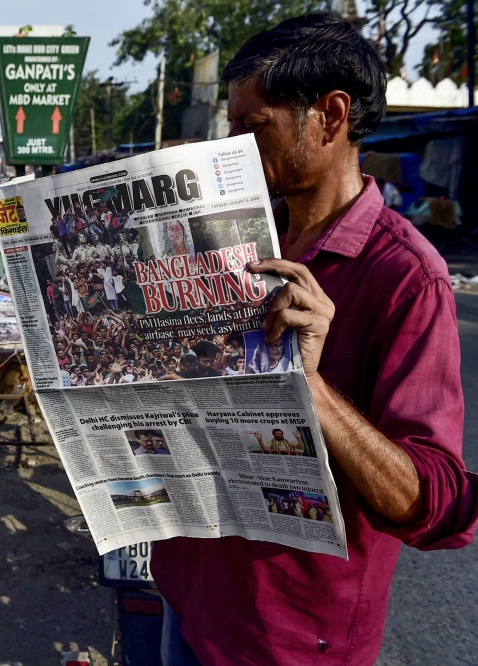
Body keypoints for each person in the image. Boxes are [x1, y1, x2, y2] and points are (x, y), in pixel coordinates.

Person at [152, 14, 478, 666]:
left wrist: (309, 390)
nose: (233, 148)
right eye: (231, 129)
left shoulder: (408, 279)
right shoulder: (236, 240)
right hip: (189, 591)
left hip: (286, 638)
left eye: (254, 128)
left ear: (330, 117)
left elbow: (443, 507)